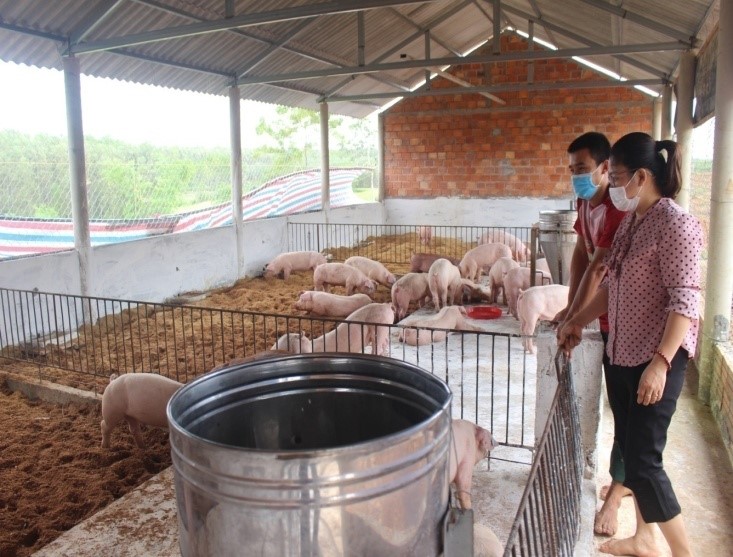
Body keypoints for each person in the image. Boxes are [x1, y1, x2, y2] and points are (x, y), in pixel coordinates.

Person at [559, 132, 702, 556]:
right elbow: (611, 285)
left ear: (642, 176)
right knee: (632, 449)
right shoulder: (634, 222)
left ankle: (683, 553)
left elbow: (686, 301)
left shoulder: (677, 224)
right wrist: (576, 321)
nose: (614, 185)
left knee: (643, 463)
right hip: (621, 351)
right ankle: (644, 538)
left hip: (653, 358)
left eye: (617, 176)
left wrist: (660, 363)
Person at [553, 131, 631, 537]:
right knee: (615, 402)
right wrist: (570, 308)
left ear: (606, 168)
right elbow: (582, 253)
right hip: (601, 318)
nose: (576, 178)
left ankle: (616, 494)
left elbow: (600, 267)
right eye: (571, 171)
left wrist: (577, 319)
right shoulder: (586, 203)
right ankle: (623, 476)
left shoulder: (618, 210)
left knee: (627, 410)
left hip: (628, 323)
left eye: (582, 170)